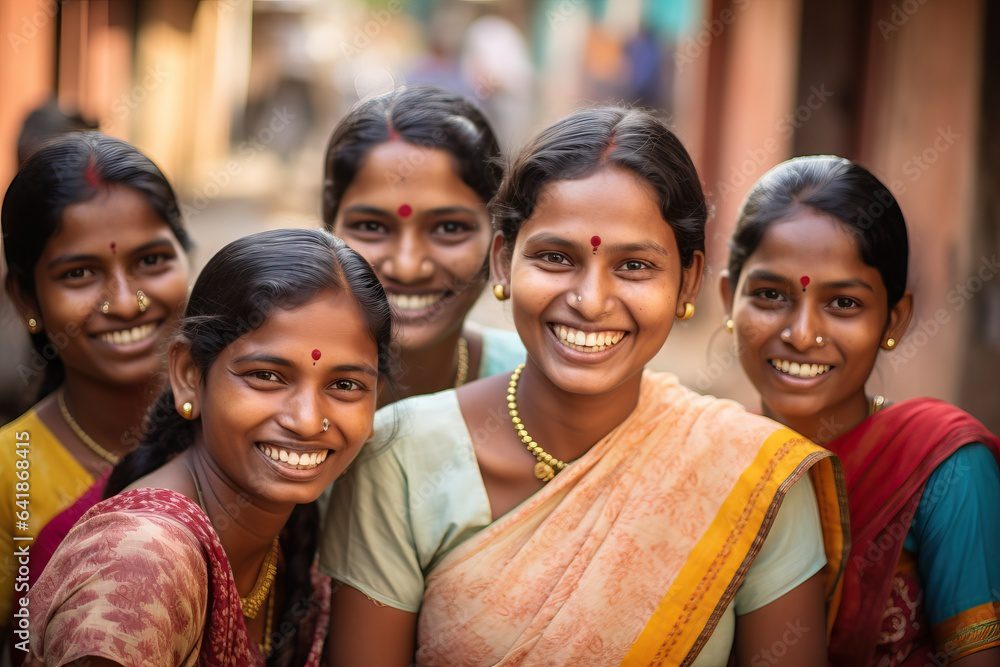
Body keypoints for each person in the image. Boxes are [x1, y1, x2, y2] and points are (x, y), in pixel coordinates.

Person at [321, 107, 848, 666]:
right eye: (555, 258)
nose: (590, 301)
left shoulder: (750, 476)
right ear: (502, 262)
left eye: (635, 266)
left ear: (687, 281)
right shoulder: (397, 454)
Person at [25, 228, 393, 666]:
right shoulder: (141, 561)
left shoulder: (299, 530)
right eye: (267, 376)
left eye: (345, 385)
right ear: (188, 375)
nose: (308, 420)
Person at [719, 155, 1000, 665]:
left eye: (843, 303)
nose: (802, 334)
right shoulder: (713, 456)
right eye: (768, 295)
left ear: (894, 319)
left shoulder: (942, 467)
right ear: (726, 299)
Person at [1, 132, 192, 645]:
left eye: (151, 260)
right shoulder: (8, 474)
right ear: (26, 300)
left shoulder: (240, 430)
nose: (125, 303)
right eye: (80, 273)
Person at [323, 85, 523, 406]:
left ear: (498, 243)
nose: (408, 266)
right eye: (372, 227)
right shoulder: (266, 379)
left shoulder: (538, 386)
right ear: (328, 231)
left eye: (448, 228)